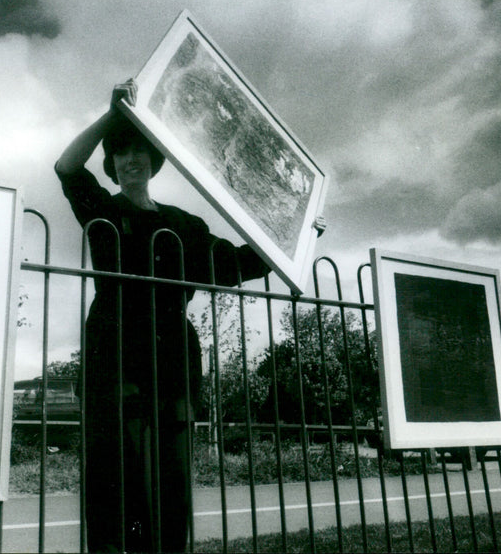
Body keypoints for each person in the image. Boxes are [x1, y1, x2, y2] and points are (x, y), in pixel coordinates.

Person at [55, 79, 324, 552]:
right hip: (115, 355)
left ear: (155, 162)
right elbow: (66, 166)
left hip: (174, 363)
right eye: (121, 153)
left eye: (141, 150)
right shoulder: (101, 212)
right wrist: (112, 114)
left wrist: (302, 236)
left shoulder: (185, 227)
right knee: (116, 472)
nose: (131, 158)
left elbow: (238, 264)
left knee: (171, 476)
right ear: (113, 166)